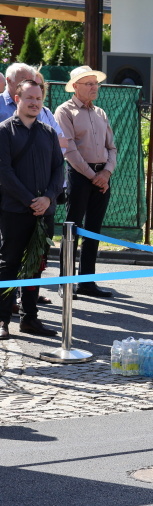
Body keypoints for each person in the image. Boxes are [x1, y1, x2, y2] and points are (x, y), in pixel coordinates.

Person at [0, 79, 64, 340]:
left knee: (36, 266)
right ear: (17, 99)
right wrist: (30, 200)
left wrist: (48, 198)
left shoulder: (48, 132)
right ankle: (2, 320)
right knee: (9, 265)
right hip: (14, 211)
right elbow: (4, 172)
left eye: (39, 99)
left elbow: (59, 169)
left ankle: (30, 319)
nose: (35, 103)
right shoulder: (4, 131)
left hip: (44, 213)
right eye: (30, 98)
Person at [54, 65, 117, 298]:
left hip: (102, 177)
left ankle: (87, 281)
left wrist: (106, 173)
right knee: (72, 227)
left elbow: (112, 147)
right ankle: (66, 282)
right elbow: (69, 150)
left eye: (95, 83)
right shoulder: (64, 111)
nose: (94, 87)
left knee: (94, 230)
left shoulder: (100, 113)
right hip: (80, 176)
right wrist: (94, 177)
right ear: (75, 87)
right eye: (88, 83)